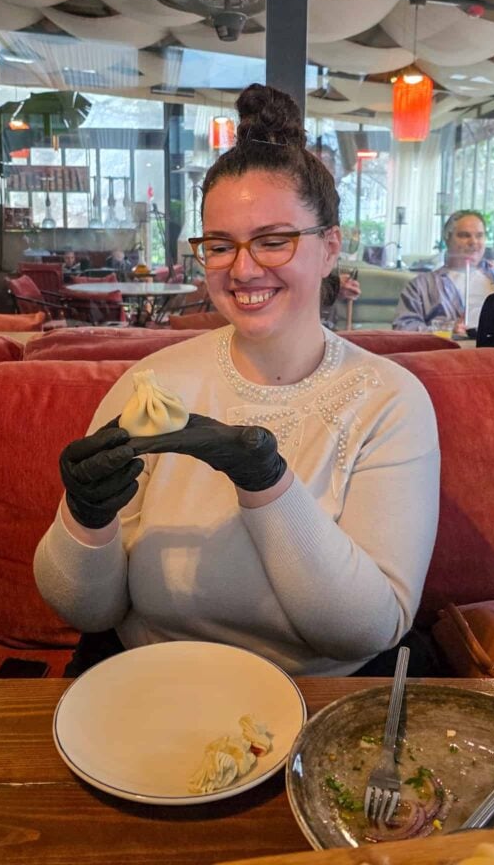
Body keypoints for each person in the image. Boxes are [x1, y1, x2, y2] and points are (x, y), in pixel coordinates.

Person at [34, 83, 440, 679]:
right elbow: (88, 611)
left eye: (273, 240)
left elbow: (369, 629)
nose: (244, 268)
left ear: (330, 248)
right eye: (220, 245)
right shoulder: (152, 383)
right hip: (154, 681)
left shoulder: (390, 399)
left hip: (320, 699)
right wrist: (85, 516)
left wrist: (265, 482)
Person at [393, 210, 494, 332]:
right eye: (464, 235)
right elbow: (403, 327)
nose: (473, 242)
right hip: (452, 351)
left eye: (479, 235)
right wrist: (445, 329)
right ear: (447, 239)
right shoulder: (422, 286)